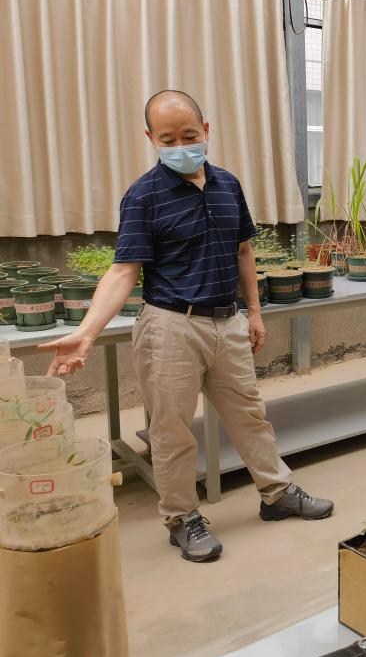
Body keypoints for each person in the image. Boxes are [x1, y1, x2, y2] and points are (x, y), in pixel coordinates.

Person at [40, 90, 333, 562]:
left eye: (189, 135)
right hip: (170, 327)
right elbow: (123, 270)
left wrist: (254, 311)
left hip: (227, 321)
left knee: (250, 415)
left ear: (206, 131)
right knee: (172, 430)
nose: (180, 146)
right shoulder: (143, 196)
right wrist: (87, 333)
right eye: (168, 139)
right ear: (151, 139)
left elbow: (243, 250)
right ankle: (182, 518)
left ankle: (277, 494)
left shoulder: (228, 185)